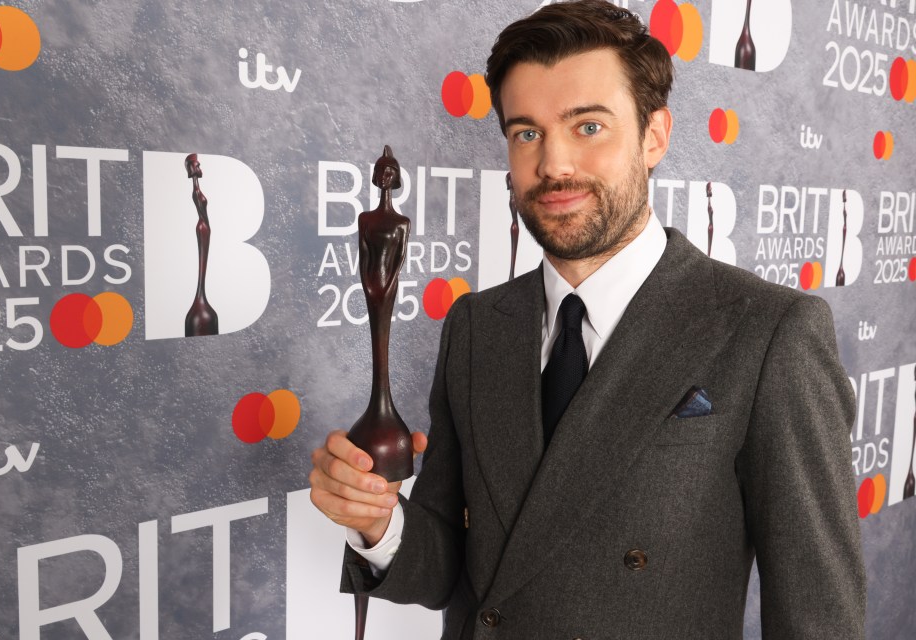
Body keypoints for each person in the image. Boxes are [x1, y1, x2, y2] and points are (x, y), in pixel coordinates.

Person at [309, 1, 866, 637]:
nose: (554, 165)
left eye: (588, 127)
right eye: (526, 133)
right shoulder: (475, 327)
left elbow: (819, 619)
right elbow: (459, 569)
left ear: (654, 135)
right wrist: (378, 522)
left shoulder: (769, 334)